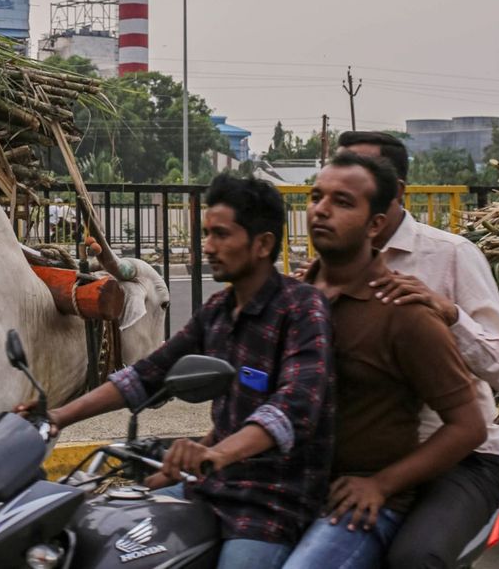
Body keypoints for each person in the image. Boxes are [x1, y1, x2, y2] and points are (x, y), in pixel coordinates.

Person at [38, 174, 333, 569]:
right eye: (206, 234)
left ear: (262, 244)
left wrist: (212, 452)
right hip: (210, 487)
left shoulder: (302, 308)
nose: (207, 247)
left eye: (221, 235)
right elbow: (148, 373)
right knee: (102, 537)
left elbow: (292, 407)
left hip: (269, 504)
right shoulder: (217, 311)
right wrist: (56, 416)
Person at [283, 153, 484, 569]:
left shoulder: (404, 310)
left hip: (359, 499)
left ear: (376, 224)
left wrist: (379, 484)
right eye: (316, 196)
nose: (320, 210)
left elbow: (469, 425)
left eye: (342, 201)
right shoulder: (292, 301)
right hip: (290, 487)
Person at [336, 130, 499, 569]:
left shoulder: (451, 256)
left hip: (461, 458)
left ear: (396, 191)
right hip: (362, 455)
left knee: (415, 559)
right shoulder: (331, 266)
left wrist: (451, 315)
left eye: (358, 181)